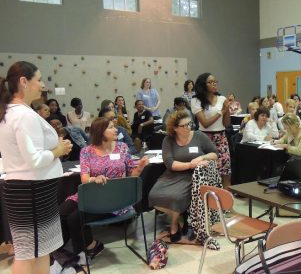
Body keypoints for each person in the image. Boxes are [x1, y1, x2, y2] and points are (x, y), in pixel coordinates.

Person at [0, 61, 76, 274]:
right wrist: (60, 149)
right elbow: (34, 159)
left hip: (33, 191)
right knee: (25, 253)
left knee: (41, 247)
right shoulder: (22, 115)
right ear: (23, 81)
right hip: (28, 191)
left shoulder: (16, 113)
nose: (43, 85)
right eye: (39, 79)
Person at [58, 117, 149, 257]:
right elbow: (84, 178)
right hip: (93, 193)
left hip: (115, 198)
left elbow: (132, 175)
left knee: (74, 218)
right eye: (111, 127)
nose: (116, 129)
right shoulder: (87, 151)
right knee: (61, 212)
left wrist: (140, 167)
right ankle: (59, 249)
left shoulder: (122, 147)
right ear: (100, 131)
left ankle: (90, 247)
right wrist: (95, 179)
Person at [148, 110, 218, 241]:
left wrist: (202, 157)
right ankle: (180, 217)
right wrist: (190, 164)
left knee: (176, 197)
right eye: (184, 125)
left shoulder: (199, 136)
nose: (188, 127)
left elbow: (214, 154)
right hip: (172, 175)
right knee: (153, 195)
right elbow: (170, 164)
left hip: (193, 176)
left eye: (189, 124)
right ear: (175, 128)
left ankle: (174, 225)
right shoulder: (168, 140)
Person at [191, 73, 232, 187]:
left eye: (215, 81)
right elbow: (205, 123)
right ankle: (208, 203)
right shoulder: (196, 100)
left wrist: (227, 109)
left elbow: (226, 123)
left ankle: (227, 204)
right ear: (203, 85)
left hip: (221, 137)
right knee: (207, 172)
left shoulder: (222, 99)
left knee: (225, 172)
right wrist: (221, 112)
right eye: (210, 82)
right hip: (204, 138)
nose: (213, 84)